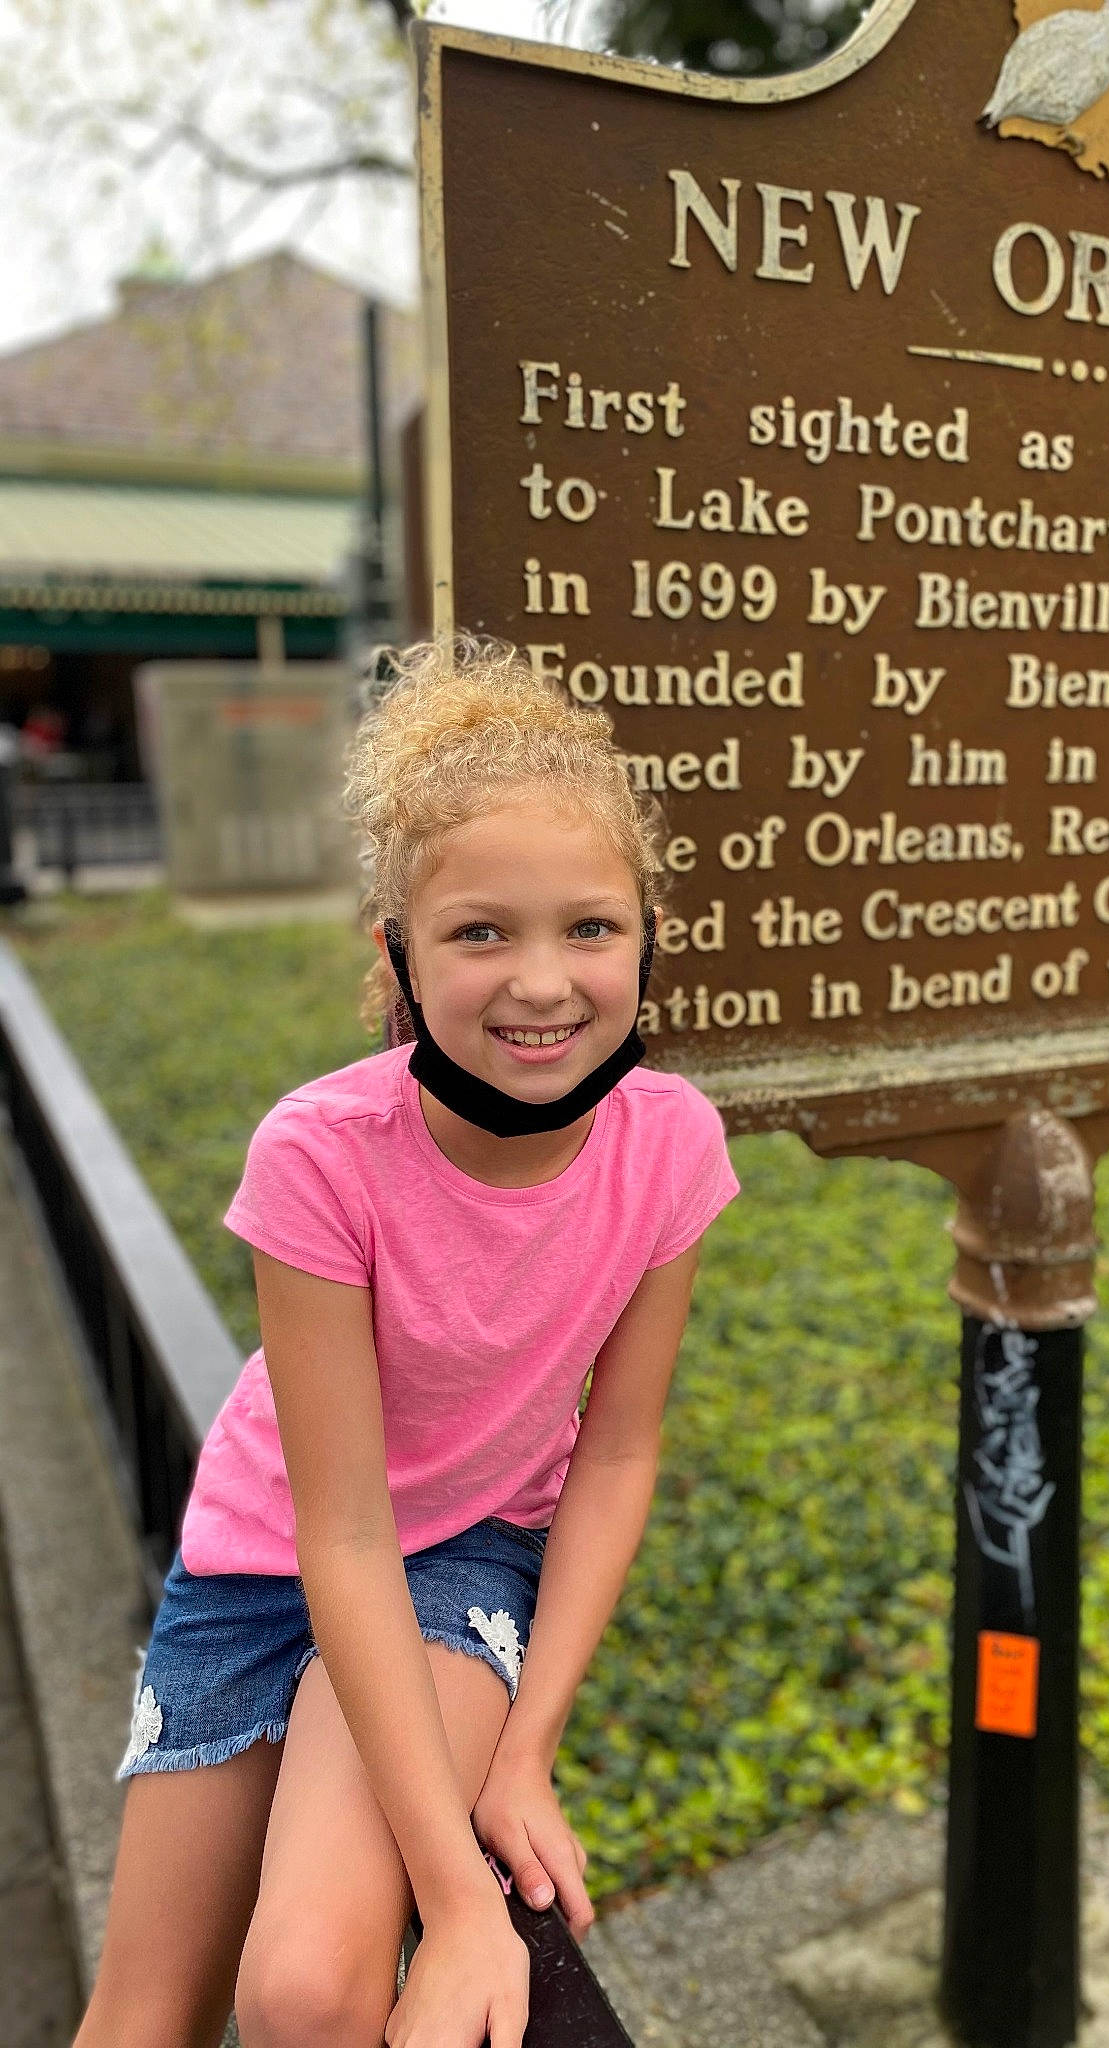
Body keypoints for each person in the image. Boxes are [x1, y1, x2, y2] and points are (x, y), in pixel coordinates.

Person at [72, 639, 739, 2048]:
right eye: (481, 932)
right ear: (398, 954)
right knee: (138, 2017)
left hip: (462, 1552)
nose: (542, 983)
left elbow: (617, 1452)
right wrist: (464, 1892)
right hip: (276, 1555)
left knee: (308, 1990)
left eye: (591, 928)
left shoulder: (669, 1146)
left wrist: (523, 1761)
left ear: (646, 937)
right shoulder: (323, 1154)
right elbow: (341, 1526)